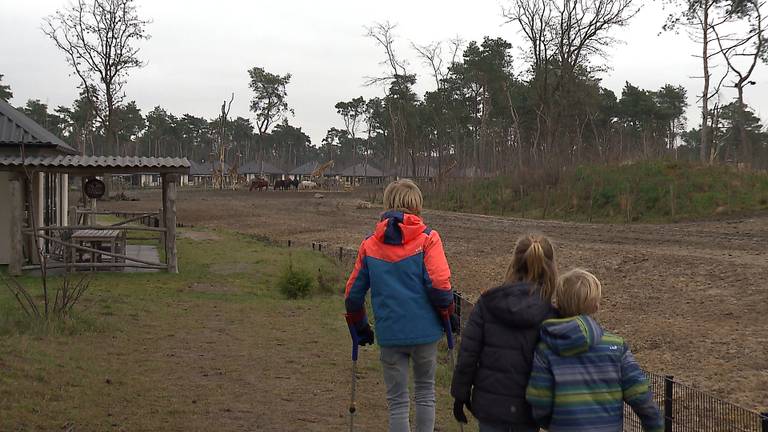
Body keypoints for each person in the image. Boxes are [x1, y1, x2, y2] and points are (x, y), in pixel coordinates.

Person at [344, 179, 455, 432]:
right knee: (426, 394)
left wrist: (360, 326)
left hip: (390, 333)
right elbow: (439, 284)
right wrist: (448, 314)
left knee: (397, 402)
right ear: (417, 206)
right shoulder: (429, 239)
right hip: (425, 333)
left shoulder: (370, 244)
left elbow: (352, 296)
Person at [526, 269, 664, 432]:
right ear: (596, 305)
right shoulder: (616, 347)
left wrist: (555, 424)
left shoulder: (545, 349)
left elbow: (539, 402)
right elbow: (641, 397)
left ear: (559, 304)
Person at [451, 234, 559, 432]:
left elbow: (468, 353)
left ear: (514, 263)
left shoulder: (487, 303)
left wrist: (461, 393)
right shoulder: (552, 316)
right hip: (528, 410)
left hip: (490, 406)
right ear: (550, 269)